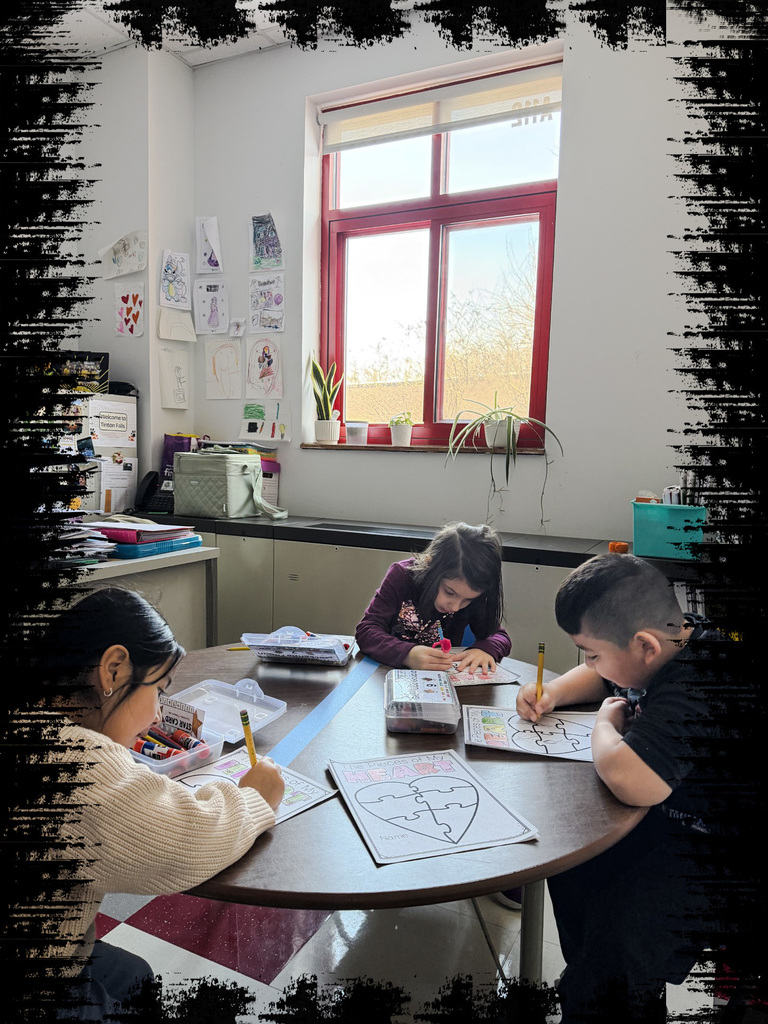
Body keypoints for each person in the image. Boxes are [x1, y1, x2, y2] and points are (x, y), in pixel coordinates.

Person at [35, 587, 285, 1021]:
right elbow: (184, 844)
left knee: (135, 976)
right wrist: (252, 797)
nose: (155, 717)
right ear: (113, 669)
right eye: (159, 689)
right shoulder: (75, 762)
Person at [516, 553, 728, 1024]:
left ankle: (604, 989)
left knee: (618, 945)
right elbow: (605, 673)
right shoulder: (670, 636)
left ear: (645, 646)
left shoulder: (703, 680)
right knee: (572, 861)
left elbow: (634, 781)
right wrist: (554, 693)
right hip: (669, 817)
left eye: (590, 651)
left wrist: (605, 723)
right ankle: (611, 984)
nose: (589, 663)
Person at [355, 521, 511, 675]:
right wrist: (408, 655)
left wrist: (484, 650)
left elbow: (500, 637)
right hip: (387, 676)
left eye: (467, 600)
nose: (456, 607)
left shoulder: (469, 594)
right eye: (449, 593)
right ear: (430, 565)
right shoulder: (401, 576)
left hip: (440, 684)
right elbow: (366, 631)